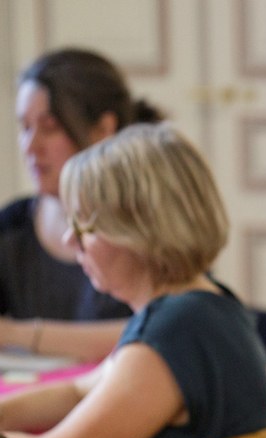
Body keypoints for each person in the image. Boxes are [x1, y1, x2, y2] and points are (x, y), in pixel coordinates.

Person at [0, 123, 266, 438]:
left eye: (87, 227)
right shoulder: (209, 307)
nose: (69, 240)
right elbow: (77, 390)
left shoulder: (172, 336)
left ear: (142, 232)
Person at [0, 47, 165, 361]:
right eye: (25, 127)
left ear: (103, 129)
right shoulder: (11, 226)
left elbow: (168, 331)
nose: (30, 147)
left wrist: (14, 334)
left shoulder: (149, 223)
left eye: (50, 128)